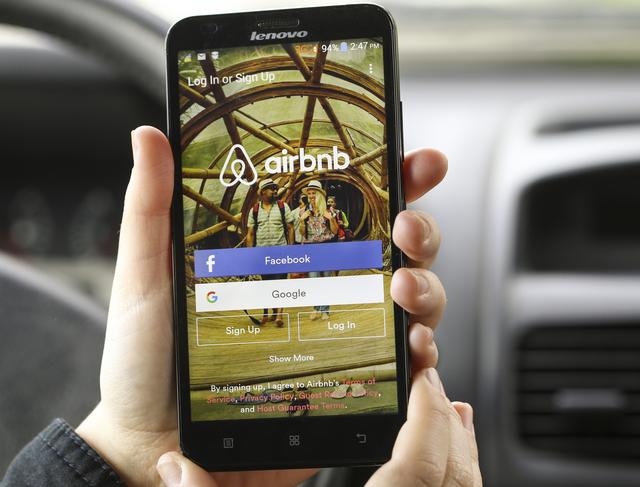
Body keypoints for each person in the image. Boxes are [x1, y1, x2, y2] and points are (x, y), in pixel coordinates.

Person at [1, 128, 481, 487]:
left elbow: (304, 219)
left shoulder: (296, 210)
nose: (274, 194)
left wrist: (124, 452)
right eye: (273, 192)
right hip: (266, 255)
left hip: (300, 252)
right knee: (282, 292)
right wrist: (126, 443)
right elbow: (266, 227)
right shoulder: (259, 211)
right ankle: (284, 314)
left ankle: (315, 312)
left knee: (318, 283)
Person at [246, 178, 295, 326]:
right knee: (266, 285)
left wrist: (290, 250)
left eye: (275, 188)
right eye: (271, 188)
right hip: (262, 254)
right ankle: (267, 314)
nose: (275, 190)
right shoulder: (254, 210)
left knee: (280, 284)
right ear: (262, 192)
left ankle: (279, 315)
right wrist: (250, 255)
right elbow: (250, 233)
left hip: (280, 251)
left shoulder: (282, 206)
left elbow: (291, 227)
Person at [299, 181, 339, 320]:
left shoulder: (329, 211)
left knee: (326, 279)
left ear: (320, 195)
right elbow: (303, 234)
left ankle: (325, 310)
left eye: (313, 193)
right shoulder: (304, 211)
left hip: (326, 247)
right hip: (311, 249)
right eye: (309, 194)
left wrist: (331, 219)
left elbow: (334, 231)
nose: (311, 196)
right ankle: (316, 308)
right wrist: (301, 221)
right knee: (313, 279)